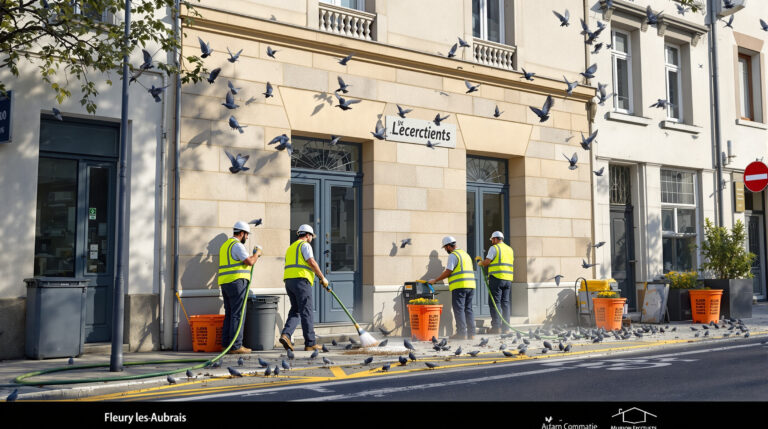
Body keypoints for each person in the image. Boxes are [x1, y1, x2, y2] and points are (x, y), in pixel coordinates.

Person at [279, 224, 330, 352]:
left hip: (289, 282)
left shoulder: (291, 247)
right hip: (301, 281)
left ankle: (286, 335)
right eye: (311, 236)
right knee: (306, 311)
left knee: (296, 310)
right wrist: (322, 277)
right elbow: (311, 262)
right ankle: (310, 343)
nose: (311, 239)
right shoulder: (305, 245)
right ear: (307, 235)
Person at [218, 221, 262, 354]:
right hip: (237, 283)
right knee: (238, 314)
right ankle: (236, 346)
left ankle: (226, 344)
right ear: (241, 233)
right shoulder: (237, 245)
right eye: (246, 235)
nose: (247, 237)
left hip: (225, 283)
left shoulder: (225, 245)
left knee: (230, 314)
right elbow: (249, 262)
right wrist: (257, 254)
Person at [428, 236, 476, 340]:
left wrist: (435, 280)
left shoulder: (453, 255)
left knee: (459, 310)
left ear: (449, 246)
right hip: (471, 285)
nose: (446, 250)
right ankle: (472, 334)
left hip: (460, 286)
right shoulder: (465, 254)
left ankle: (461, 333)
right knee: (468, 309)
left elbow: (448, 271)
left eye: (445, 248)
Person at [477, 231, 514, 334]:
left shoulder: (494, 248)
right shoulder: (510, 249)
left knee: (494, 302)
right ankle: (506, 328)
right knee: (505, 303)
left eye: (492, 239)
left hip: (497, 278)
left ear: (496, 239)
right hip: (508, 279)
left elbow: (487, 262)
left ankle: (496, 327)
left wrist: (480, 262)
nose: (492, 241)